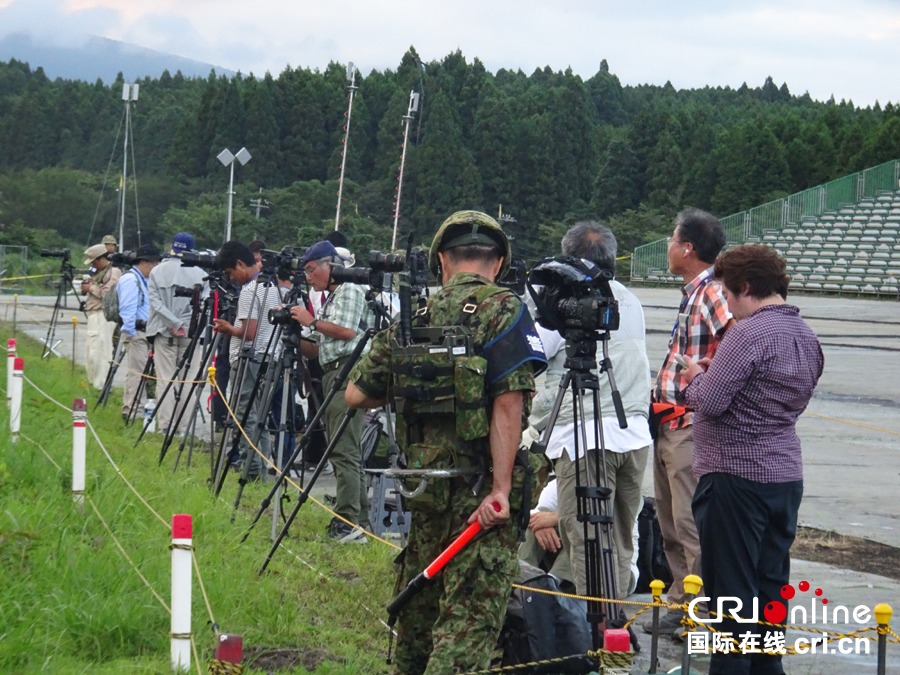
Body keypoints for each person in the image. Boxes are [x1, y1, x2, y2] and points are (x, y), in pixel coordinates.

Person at [345, 211, 548, 674]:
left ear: (442, 261)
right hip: (479, 494)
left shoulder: (415, 314)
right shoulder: (504, 308)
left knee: (420, 612)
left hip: (425, 488)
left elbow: (356, 393)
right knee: (469, 620)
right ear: (497, 264)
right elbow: (508, 404)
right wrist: (500, 489)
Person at [680, 244, 823, 675]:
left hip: (733, 479)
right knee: (770, 588)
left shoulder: (747, 334)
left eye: (727, 295)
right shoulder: (806, 336)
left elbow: (710, 401)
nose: (728, 305)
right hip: (783, 475)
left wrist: (695, 377)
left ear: (744, 287)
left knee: (729, 595)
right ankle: (768, 668)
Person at [530, 221, 652, 601]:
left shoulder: (562, 297)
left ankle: (596, 635)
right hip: (632, 432)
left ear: (569, 256)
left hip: (584, 435)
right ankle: (615, 630)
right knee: (617, 537)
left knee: (585, 541)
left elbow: (530, 355)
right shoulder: (628, 299)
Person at [648, 207, 735, 636]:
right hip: (667, 421)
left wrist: (706, 376)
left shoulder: (714, 292)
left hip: (687, 424)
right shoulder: (692, 292)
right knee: (669, 521)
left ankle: (701, 611)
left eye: (671, 238)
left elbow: (738, 341)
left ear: (687, 248)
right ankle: (683, 604)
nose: (667, 246)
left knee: (688, 523)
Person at [289, 240, 374, 542]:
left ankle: (349, 520)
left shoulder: (349, 289)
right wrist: (296, 331)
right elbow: (317, 348)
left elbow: (349, 331)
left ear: (330, 266)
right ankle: (357, 518)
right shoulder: (333, 296)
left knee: (343, 448)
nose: (309, 278)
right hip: (334, 370)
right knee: (342, 446)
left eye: (312, 270)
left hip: (347, 370)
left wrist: (312, 321)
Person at [213, 241, 282, 480]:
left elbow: (248, 332)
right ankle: (261, 468)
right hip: (270, 356)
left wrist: (227, 328)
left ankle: (250, 471)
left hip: (249, 358)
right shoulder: (274, 287)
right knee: (259, 416)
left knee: (244, 416)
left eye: (231, 272)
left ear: (241, 264)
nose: (232, 279)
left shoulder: (250, 290)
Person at [147, 233, 209, 435]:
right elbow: (203, 306)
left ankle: (165, 426)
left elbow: (155, 302)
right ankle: (183, 428)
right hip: (191, 333)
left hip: (163, 331)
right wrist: (183, 324)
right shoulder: (201, 274)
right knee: (188, 380)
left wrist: (172, 323)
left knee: (164, 379)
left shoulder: (157, 271)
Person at [118, 245, 161, 421]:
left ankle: (134, 407)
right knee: (138, 372)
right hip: (136, 331)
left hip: (145, 331)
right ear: (144, 262)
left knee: (138, 371)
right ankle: (134, 410)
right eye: (154, 263)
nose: (156, 267)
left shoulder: (142, 279)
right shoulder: (130, 279)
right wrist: (129, 331)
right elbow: (127, 307)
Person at [81, 243, 122, 390]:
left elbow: (109, 294)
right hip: (95, 314)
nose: (93, 264)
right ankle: (94, 384)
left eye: (94, 261)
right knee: (92, 350)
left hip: (102, 315)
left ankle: (100, 385)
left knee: (100, 351)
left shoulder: (113, 272)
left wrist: (90, 288)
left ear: (101, 259)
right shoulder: (101, 273)